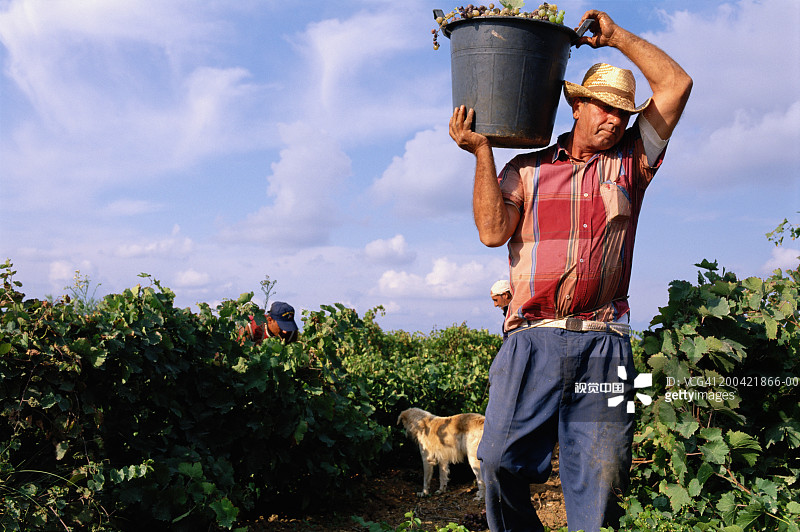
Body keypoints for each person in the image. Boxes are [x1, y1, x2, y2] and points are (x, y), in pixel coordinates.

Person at [449, 9, 691, 532]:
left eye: (623, 114)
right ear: (577, 105)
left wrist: (617, 37)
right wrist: (482, 153)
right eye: (603, 107)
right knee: (496, 462)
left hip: (604, 345)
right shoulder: (528, 169)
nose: (613, 120)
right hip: (531, 340)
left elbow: (676, 83)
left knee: (599, 479)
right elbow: (493, 232)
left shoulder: (632, 163)